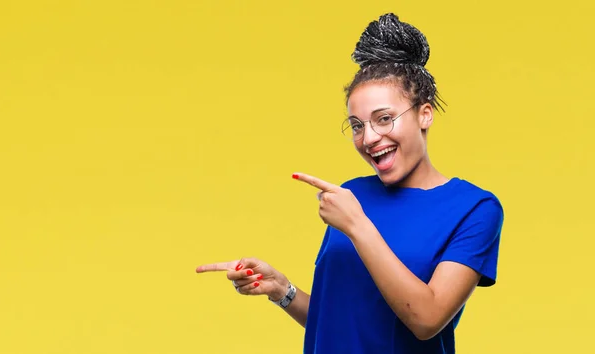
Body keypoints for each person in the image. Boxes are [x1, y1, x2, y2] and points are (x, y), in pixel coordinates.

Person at [196, 12, 504, 354]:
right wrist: (282, 290)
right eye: (357, 126)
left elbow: (427, 319)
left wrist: (358, 225)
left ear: (425, 114)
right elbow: (340, 321)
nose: (369, 138)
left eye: (384, 119)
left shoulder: (473, 209)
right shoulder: (351, 195)